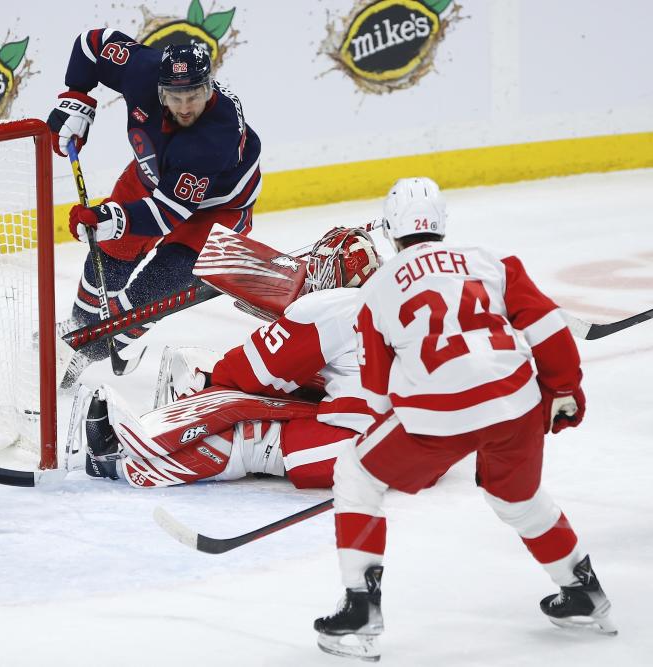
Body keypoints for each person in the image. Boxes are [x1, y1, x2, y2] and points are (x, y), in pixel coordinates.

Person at [314, 177, 615, 661]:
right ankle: (584, 590)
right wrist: (563, 389)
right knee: (516, 497)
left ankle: (360, 609)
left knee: (356, 471)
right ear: (442, 223)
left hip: (436, 416)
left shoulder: (375, 291)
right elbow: (548, 326)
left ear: (391, 231)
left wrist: (405, 454)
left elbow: (376, 392)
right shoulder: (492, 260)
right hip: (515, 402)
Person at [65, 226, 381, 489]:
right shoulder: (398, 298)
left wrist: (212, 383)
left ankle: (116, 464)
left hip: (357, 449)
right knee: (291, 389)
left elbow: (251, 372)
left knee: (253, 436)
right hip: (411, 444)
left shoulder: (329, 306)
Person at [46, 31, 262, 385]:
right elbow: (91, 43)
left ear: (210, 86)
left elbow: (166, 215)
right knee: (111, 252)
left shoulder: (215, 136)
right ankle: (77, 329)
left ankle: (90, 352)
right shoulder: (141, 69)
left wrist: (112, 218)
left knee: (153, 294)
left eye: (195, 94)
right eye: (176, 96)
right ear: (160, 89)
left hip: (217, 210)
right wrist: (77, 97)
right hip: (150, 175)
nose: (186, 107)